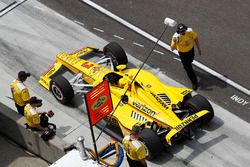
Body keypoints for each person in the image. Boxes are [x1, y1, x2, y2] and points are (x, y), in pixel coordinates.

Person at [170, 23, 201, 90]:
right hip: (183, 53)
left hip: (191, 50)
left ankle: (186, 65)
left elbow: (195, 39)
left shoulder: (190, 31)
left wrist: (199, 49)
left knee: (190, 60)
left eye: (184, 31)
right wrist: (175, 42)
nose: (183, 32)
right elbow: (172, 48)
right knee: (188, 69)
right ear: (179, 32)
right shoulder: (176, 37)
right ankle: (194, 82)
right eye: (181, 32)